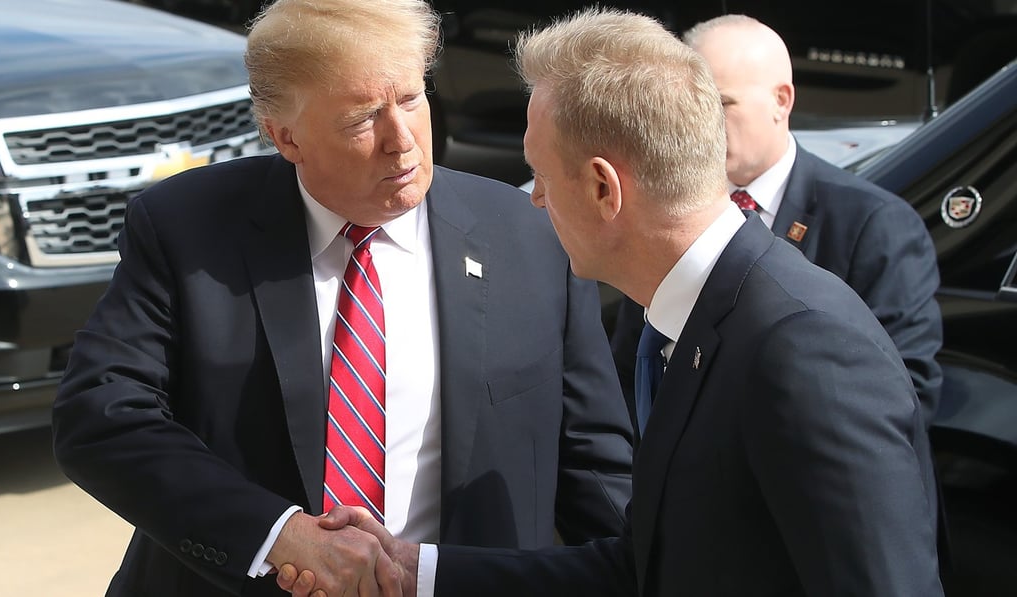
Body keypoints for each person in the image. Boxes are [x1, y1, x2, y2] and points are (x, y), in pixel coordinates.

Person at [280, 7, 944, 597]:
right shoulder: (693, 319)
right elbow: (642, 568)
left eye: (541, 175)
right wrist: (413, 571)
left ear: (603, 188)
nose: (535, 201)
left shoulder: (804, 350)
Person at [51, 0, 634, 595]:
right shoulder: (188, 230)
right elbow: (101, 416)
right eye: (362, 119)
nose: (401, 141)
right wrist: (276, 536)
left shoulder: (526, 234)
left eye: (411, 99)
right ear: (286, 136)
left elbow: (594, 466)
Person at [608, 14, 944, 432]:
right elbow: (628, 365)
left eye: (722, 104)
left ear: (781, 101)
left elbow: (904, 390)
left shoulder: (872, 225)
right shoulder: (664, 206)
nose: (701, 124)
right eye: (690, 106)